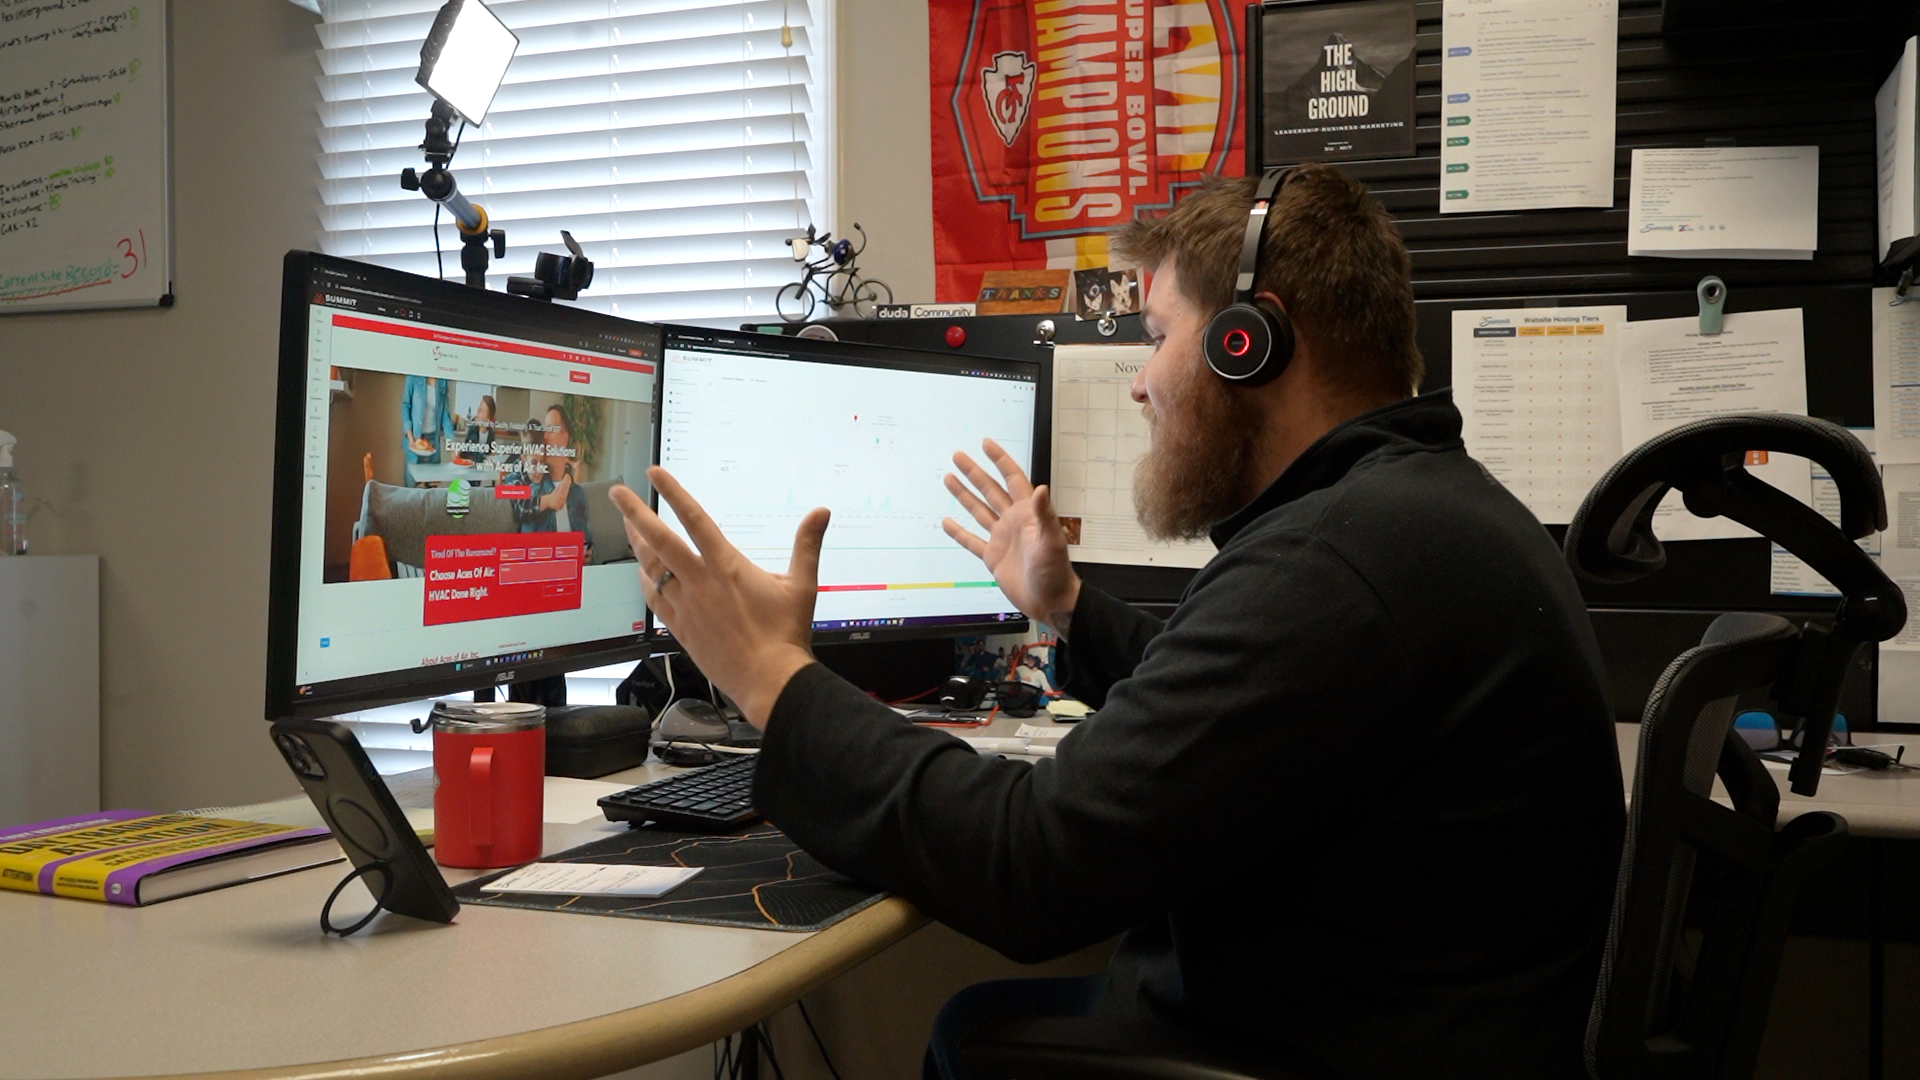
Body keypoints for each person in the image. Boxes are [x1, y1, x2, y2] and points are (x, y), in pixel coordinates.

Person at [609, 165, 1624, 1079]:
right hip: (1388, 1026)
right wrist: (1065, 608)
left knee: (980, 1036)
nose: (1139, 380)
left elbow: (1032, 865)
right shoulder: (1415, 519)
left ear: (1249, 341)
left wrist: (770, 679)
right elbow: (1238, 713)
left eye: (1154, 336)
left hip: (1320, 1046)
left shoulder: (1336, 563)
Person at [513, 405, 593, 558]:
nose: (545, 436)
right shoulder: (534, 493)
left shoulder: (578, 494)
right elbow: (525, 555)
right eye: (544, 430)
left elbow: (589, 543)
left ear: (565, 438)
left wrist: (589, 555)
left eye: (551, 429)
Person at [399, 374, 456, 486]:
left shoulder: (443, 381)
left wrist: (453, 443)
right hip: (415, 440)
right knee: (410, 490)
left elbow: (445, 414)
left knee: (431, 490)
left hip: (433, 443)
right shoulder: (413, 377)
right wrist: (410, 437)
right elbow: (405, 405)